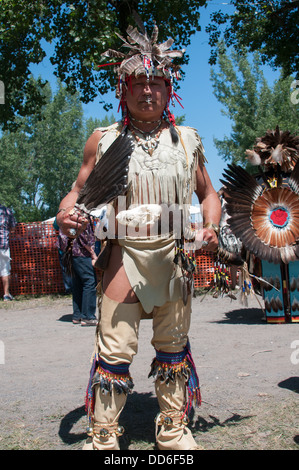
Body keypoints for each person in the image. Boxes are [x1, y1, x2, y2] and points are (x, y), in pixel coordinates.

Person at [56, 19, 221, 450]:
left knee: (172, 344)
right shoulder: (104, 139)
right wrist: (65, 216)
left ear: (169, 90)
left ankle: (172, 427)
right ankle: (105, 432)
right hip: (123, 253)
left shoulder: (187, 140)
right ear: (123, 90)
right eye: (137, 83)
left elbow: (209, 194)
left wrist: (212, 227)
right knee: (115, 349)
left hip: (173, 253)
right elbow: (75, 193)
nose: (147, 91)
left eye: (156, 83)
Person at [56, 221, 98, 326]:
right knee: (89, 281)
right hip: (82, 253)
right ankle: (88, 316)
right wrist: (93, 253)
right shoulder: (81, 215)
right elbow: (83, 237)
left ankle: (77, 315)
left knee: (78, 284)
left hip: (70, 254)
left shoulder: (67, 214)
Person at [0, 203, 16, 301]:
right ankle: (6, 294)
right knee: (5, 270)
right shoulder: (7, 211)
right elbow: (13, 228)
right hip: (3, 245)